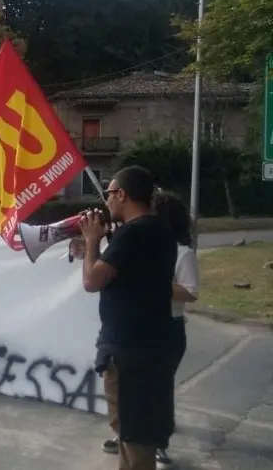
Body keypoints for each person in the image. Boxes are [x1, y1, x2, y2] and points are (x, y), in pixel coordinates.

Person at [78, 166, 178, 470]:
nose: (107, 201)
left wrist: (92, 241)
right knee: (133, 435)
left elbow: (92, 281)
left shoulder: (135, 233)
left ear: (122, 194)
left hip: (130, 353)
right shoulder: (158, 230)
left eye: (109, 193)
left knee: (134, 437)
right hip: (150, 347)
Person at [150, 190, 198, 469]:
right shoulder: (145, 249)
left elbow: (191, 292)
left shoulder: (183, 253)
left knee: (159, 389)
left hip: (169, 328)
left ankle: (159, 443)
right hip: (143, 325)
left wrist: (154, 282)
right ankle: (129, 434)